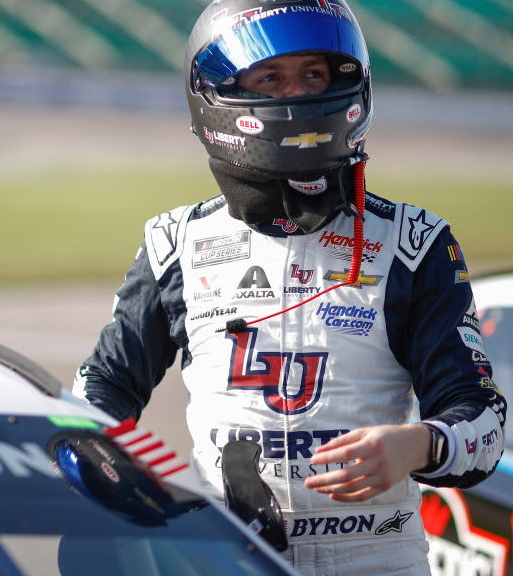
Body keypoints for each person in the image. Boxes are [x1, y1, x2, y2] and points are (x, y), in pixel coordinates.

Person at [72, 0, 506, 574]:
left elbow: (483, 421)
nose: (298, 96)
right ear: (218, 94)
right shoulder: (176, 243)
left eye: (314, 75)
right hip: (228, 559)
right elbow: (100, 390)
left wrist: (416, 444)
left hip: (378, 560)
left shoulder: (414, 243)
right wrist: (112, 480)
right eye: (271, 78)